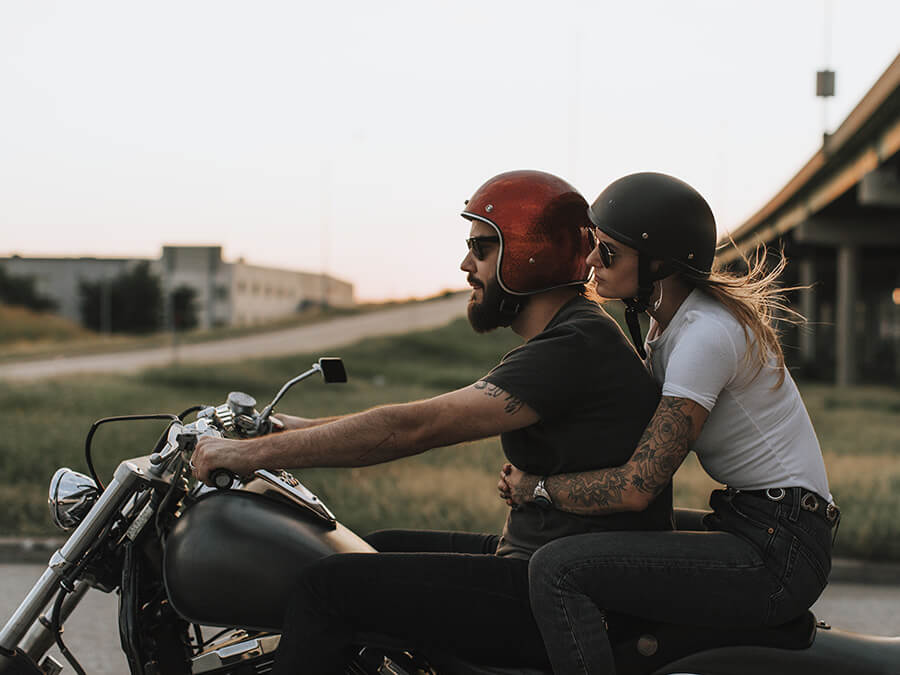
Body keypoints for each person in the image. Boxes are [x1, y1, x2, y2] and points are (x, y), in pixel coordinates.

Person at [191, 169, 673, 674]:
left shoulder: (575, 346)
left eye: (482, 247)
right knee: (366, 550)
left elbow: (414, 427)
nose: (467, 264)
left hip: (559, 595)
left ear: (532, 253)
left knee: (326, 587)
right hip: (535, 563)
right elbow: (416, 419)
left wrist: (250, 455)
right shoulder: (573, 335)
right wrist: (285, 429)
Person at [499, 172, 838, 675]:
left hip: (780, 549)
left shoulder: (705, 336)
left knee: (558, 569)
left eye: (608, 252)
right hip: (756, 523)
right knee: (619, 535)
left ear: (659, 264)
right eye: (594, 245)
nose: (592, 260)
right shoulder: (668, 324)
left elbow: (637, 486)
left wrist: (538, 488)